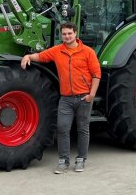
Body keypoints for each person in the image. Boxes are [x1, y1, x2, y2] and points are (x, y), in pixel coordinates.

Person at [20, 22, 101, 174]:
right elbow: (41, 56)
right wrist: (28, 56)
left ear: (75, 34)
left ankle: (81, 160)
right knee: (63, 128)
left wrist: (91, 95)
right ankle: (63, 161)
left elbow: (96, 74)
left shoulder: (88, 52)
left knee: (83, 129)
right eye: (64, 34)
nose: (67, 36)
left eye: (69, 33)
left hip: (84, 97)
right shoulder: (58, 51)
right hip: (66, 98)